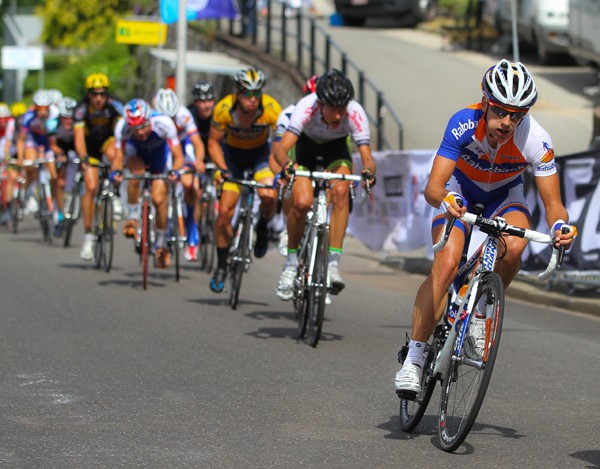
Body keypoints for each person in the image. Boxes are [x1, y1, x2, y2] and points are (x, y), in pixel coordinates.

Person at [394, 59, 577, 394]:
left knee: (516, 246)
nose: (506, 123)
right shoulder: (463, 123)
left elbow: (553, 205)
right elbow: (433, 187)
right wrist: (447, 203)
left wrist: (561, 225)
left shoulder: (536, 138)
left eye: (516, 115)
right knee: (446, 265)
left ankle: (479, 310)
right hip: (458, 188)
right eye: (500, 111)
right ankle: (415, 360)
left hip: (504, 194)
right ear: (485, 102)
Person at [273, 68, 376, 301]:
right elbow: (281, 151)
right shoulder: (306, 107)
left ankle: (332, 266)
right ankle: (290, 265)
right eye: (333, 110)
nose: (339, 116)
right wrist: (289, 166)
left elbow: (367, 158)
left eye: (342, 109)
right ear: (320, 104)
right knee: (301, 202)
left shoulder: (355, 112)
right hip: (305, 150)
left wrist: (368, 172)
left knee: (341, 191)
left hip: (335, 150)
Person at [207, 67, 281, 293]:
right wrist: (221, 169)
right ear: (237, 94)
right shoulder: (223, 109)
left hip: (260, 155)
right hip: (233, 158)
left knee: (269, 195)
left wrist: (277, 173)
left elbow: (279, 145)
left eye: (257, 94)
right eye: (248, 94)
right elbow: (213, 143)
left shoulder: (271, 108)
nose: (253, 99)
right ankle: (220, 265)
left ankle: (262, 226)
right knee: (225, 213)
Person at [111, 98, 185, 269]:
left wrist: (174, 171)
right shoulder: (122, 127)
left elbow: (178, 156)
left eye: (144, 126)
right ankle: (133, 217)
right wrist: (116, 172)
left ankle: (161, 243)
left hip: (160, 159)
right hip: (136, 154)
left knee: (159, 200)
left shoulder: (163, 123)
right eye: (135, 129)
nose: (141, 133)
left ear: (149, 119)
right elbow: (118, 156)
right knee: (136, 173)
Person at [74, 72, 124, 261]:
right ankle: (88, 236)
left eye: (102, 94)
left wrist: (119, 161)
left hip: (108, 142)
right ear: (88, 94)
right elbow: (79, 139)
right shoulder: (81, 109)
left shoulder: (115, 105)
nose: (98, 98)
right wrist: (84, 158)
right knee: (91, 186)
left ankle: (117, 194)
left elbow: (121, 135)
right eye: (94, 94)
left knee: (114, 153)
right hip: (90, 148)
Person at [153, 87, 206, 261]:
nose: (170, 122)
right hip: (163, 147)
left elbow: (197, 143)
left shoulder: (184, 115)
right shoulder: (153, 118)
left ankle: (192, 228)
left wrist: (198, 161)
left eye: (173, 117)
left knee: (191, 185)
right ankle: (161, 228)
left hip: (183, 146)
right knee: (161, 184)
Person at [16, 89, 59, 214]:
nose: (43, 112)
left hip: (48, 142)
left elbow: (55, 141)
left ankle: (54, 202)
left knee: (54, 175)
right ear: (35, 107)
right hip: (33, 140)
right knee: (30, 163)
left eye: (46, 109)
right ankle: (31, 191)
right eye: (40, 109)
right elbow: (21, 140)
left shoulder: (55, 115)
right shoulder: (28, 117)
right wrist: (20, 157)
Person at [48, 96, 78, 236]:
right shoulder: (53, 124)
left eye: (71, 118)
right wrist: (61, 154)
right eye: (65, 118)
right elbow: (52, 145)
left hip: (75, 148)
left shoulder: (79, 124)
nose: (69, 121)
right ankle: (60, 212)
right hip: (60, 149)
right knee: (59, 181)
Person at [0, 102, 17, 225]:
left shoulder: (11, 122)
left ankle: (9, 205)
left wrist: (6, 156)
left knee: (11, 176)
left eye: (4, 120)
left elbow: (8, 140)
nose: (2, 123)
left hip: (9, 149)